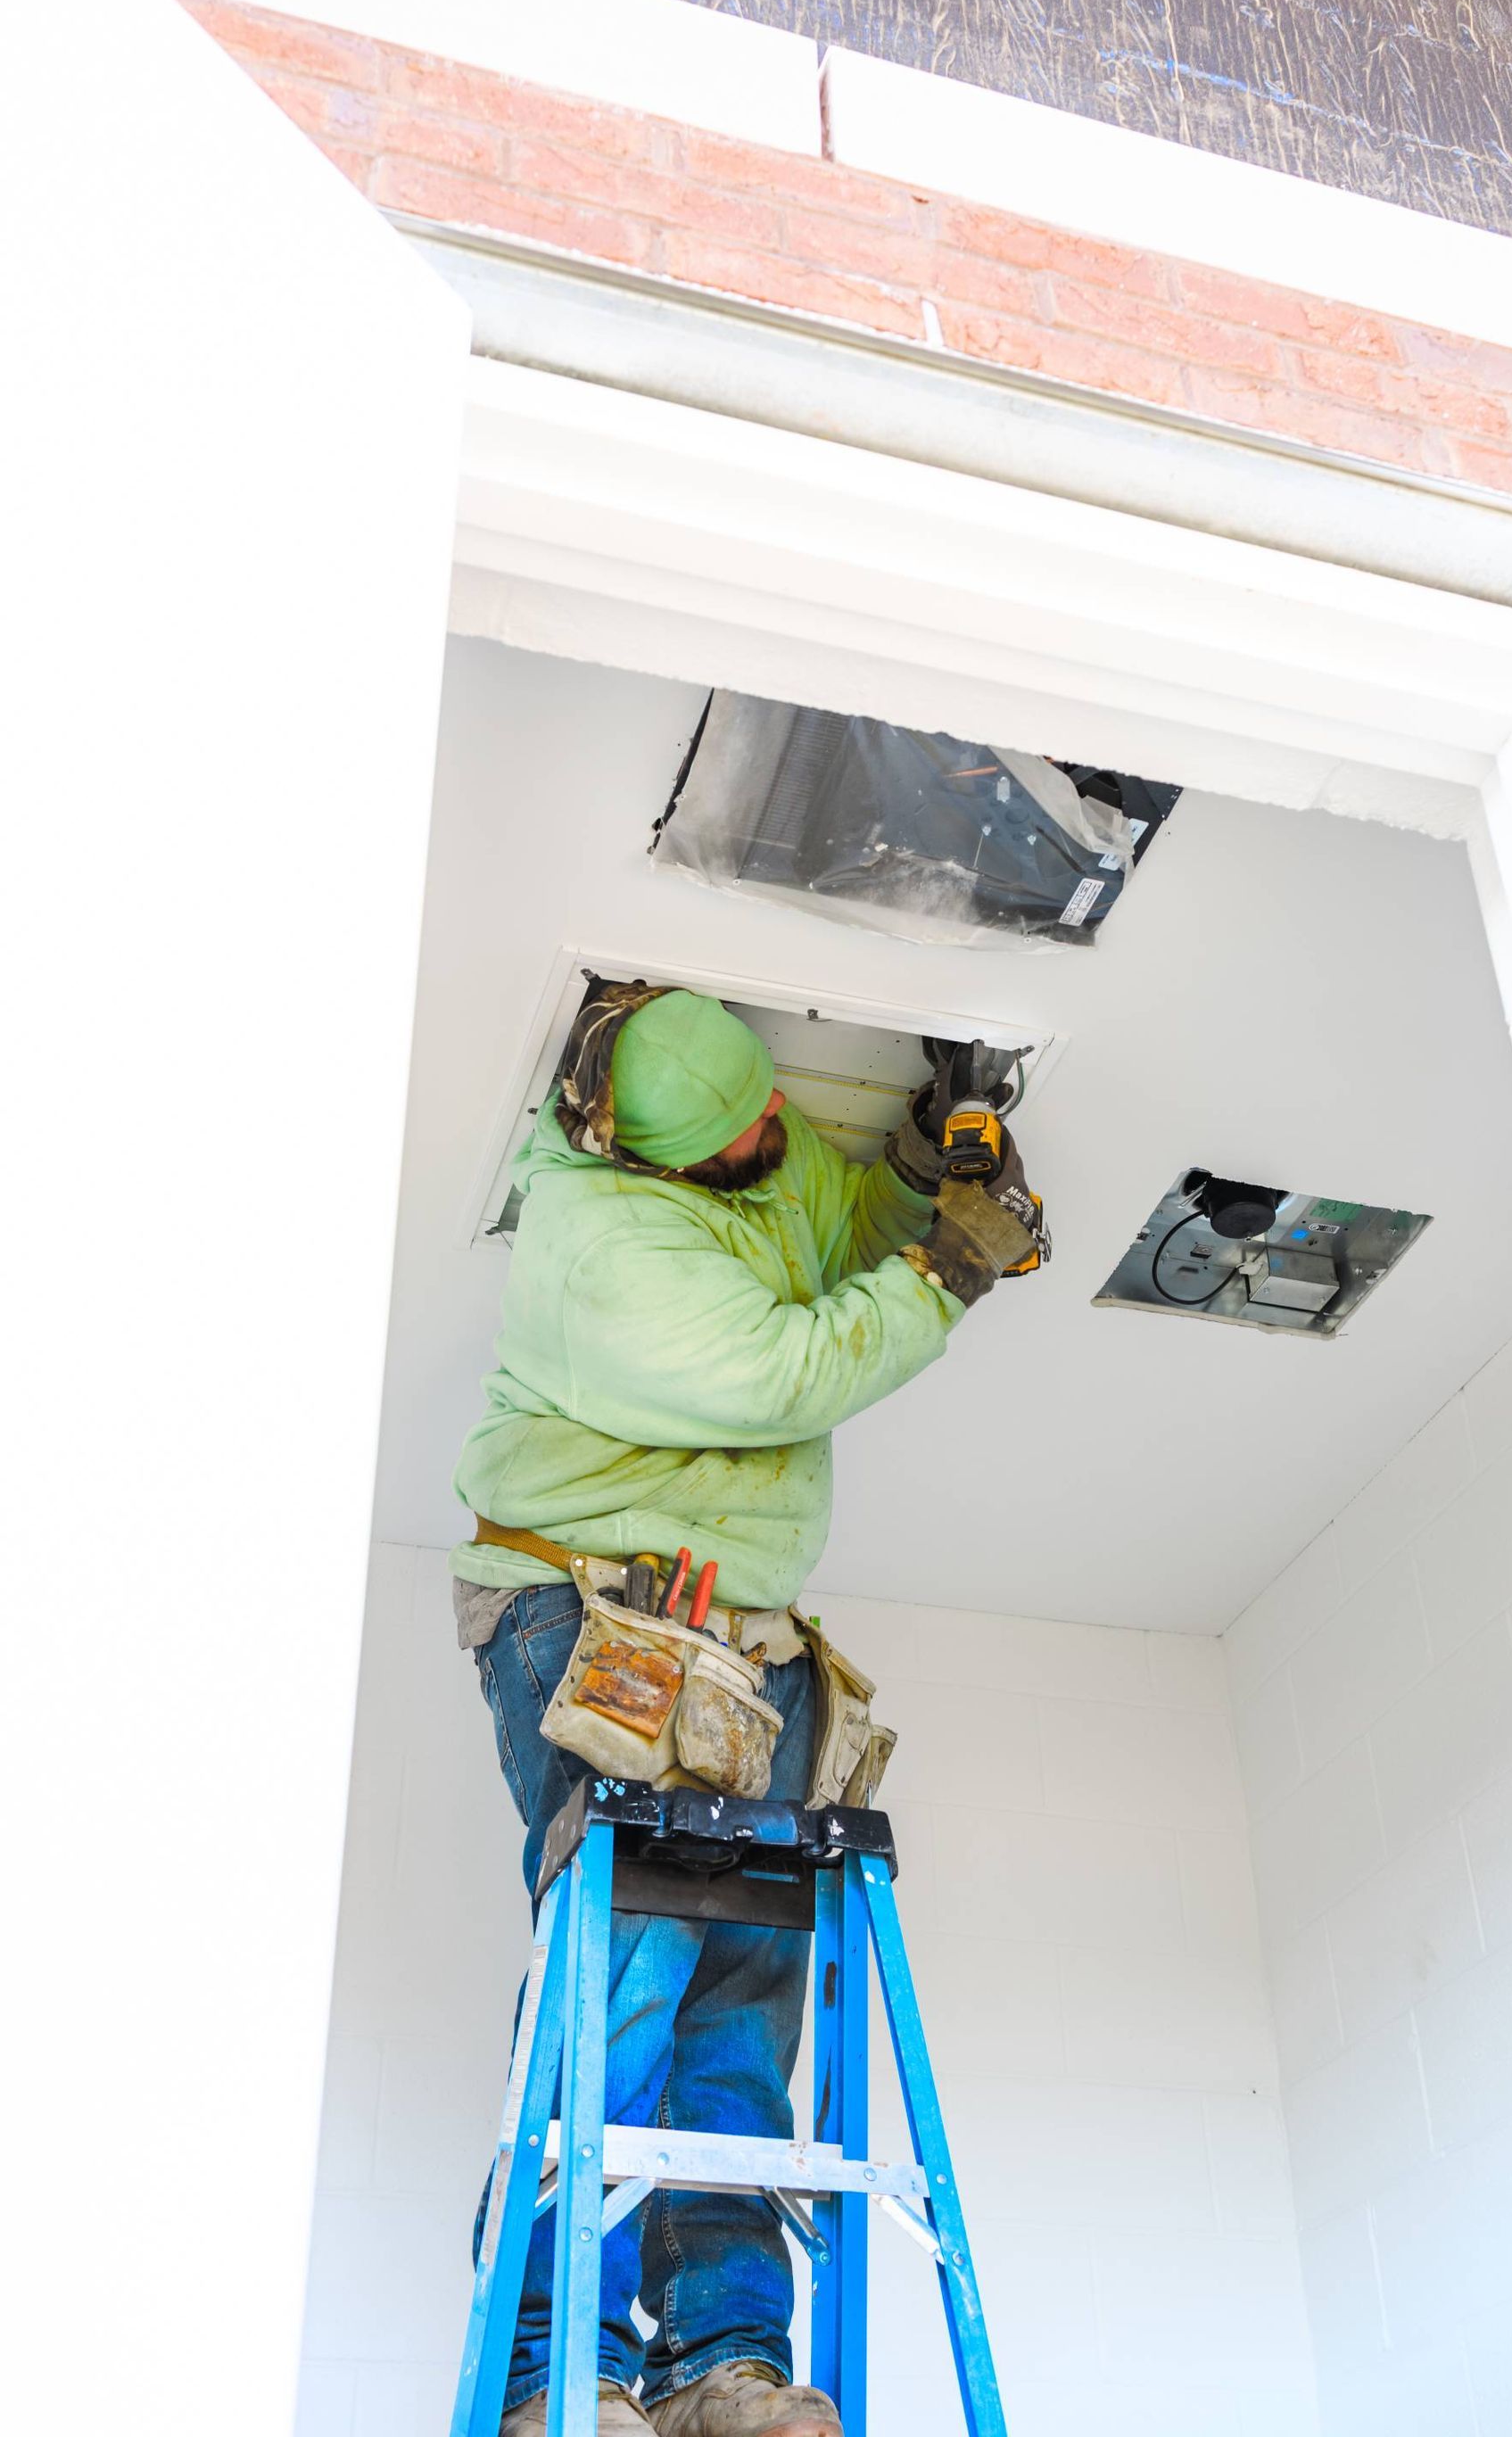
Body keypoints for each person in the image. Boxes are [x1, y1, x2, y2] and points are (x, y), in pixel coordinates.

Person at [451, 981, 1044, 2435]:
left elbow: (839, 1227)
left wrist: (922, 1174)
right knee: (630, 1983)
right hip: (597, 1617)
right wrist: (946, 1279)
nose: (777, 1138)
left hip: (742, 1639)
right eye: (744, 1135)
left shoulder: (754, 1150)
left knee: (743, 2008)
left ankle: (722, 2369)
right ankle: (559, 2379)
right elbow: (791, 1371)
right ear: (639, 1148)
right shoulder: (598, 1249)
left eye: (773, 1111)